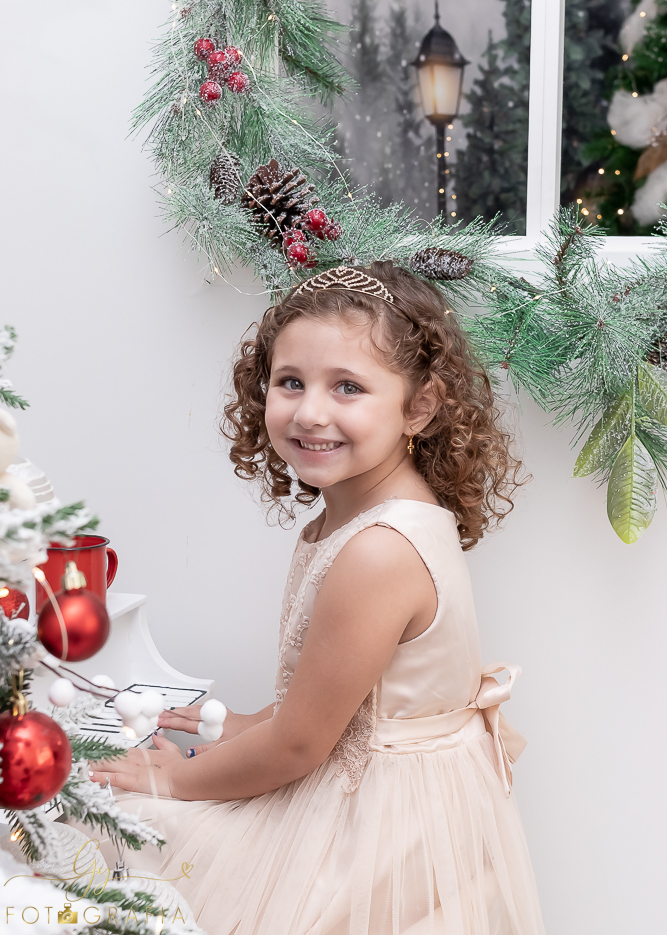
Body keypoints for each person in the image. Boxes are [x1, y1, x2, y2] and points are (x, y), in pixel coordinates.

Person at [86, 261, 546, 934]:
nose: (309, 412)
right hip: (375, 783)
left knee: (102, 826)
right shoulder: (360, 516)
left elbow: (299, 747)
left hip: (381, 827)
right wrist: (250, 726)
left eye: (348, 387)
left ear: (418, 406)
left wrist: (170, 782)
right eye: (290, 382)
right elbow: (338, 701)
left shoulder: (378, 549)